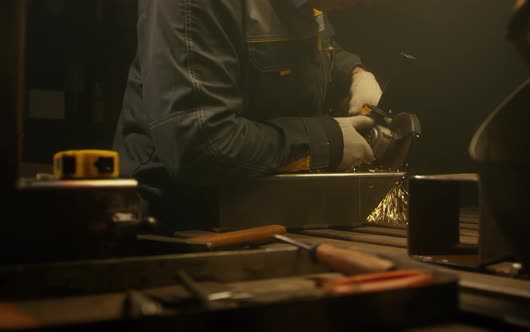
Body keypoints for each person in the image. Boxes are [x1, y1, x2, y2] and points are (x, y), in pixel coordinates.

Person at [112, 0, 383, 231]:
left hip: (263, 214)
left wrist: (354, 74)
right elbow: (203, 145)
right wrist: (330, 141)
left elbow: (318, 43)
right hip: (174, 226)